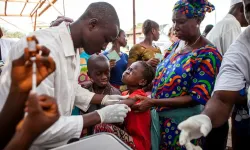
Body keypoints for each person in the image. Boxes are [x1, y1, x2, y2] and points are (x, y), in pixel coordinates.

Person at [0, 2, 131, 149]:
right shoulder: (41, 49)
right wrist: (100, 115)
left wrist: (106, 99)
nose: (104, 47)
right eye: (105, 39)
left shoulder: (73, 49)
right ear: (92, 25)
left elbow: (69, 88)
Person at [132, 0, 222, 149]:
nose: (175, 27)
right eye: (174, 21)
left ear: (198, 20)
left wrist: (153, 102)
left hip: (182, 127)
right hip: (160, 124)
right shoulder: (175, 47)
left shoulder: (208, 54)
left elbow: (196, 98)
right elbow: (161, 77)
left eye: (181, 22)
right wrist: (144, 90)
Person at [178, 0, 250, 150]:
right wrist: (206, 118)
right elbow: (223, 98)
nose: (176, 26)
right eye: (249, 8)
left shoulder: (209, 50)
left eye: (181, 21)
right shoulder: (241, 47)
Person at [206, 1, 249, 149]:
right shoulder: (233, 29)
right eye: (249, 8)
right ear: (241, 8)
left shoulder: (224, 25)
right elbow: (224, 97)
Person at [94, 61, 155, 150]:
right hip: (128, 135)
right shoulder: (125, 93)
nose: (126, 71)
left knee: (101, 126)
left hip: (140, 144)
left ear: (142, 81)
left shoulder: (140, 96)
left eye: (131, 71)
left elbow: (115, 107)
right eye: (128, 69)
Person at [82, 54, 121, 135]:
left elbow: (118, 123)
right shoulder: (85, 90)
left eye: (107, 72)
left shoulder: (114, 93)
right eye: (99, 74)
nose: (104, 77)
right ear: (89, 75)